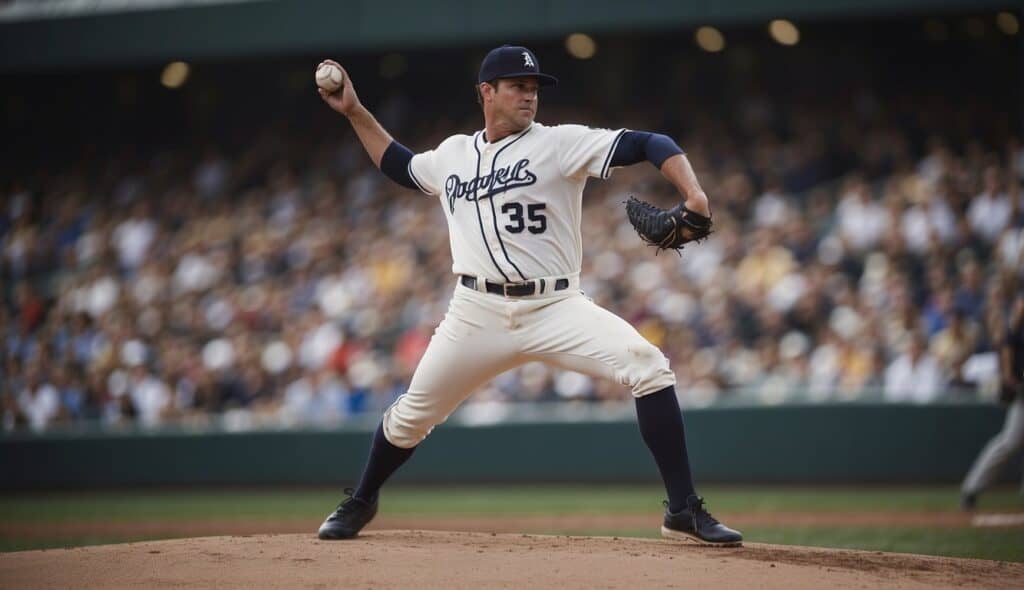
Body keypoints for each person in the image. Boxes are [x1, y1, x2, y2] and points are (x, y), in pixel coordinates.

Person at [313, 45, 742, 546]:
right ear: (486, 93)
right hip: (476, 312)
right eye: (518, 86)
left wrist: (694, 196)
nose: (529, 95)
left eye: (534, 87)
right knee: (411, 416)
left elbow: (651, 142)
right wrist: (356, 112)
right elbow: (399, 166)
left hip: (556, 306)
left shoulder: (560, 144)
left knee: (648, 366)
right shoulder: (452, 154)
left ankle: (683, 510)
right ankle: (362, 498)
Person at [960, 294, 1024, 510]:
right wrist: (1007, 374)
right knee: (1010, 442)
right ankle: (971, 489)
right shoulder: (1021, 309)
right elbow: (1008, 340)